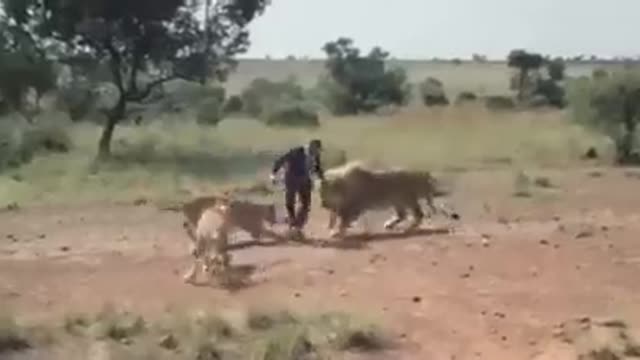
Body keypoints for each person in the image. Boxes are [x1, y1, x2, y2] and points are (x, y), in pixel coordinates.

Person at [270, 139, 325, 237]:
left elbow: (317, 167)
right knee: (290, 202)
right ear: (311, 146)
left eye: (318, 151)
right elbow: (282, 160)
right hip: (292, 178)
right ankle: (292, 224)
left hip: (305, 180)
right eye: (316, 150)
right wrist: (273, 174)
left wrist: (322, 178)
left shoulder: (315, 154)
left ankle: (297, 226)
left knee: (306, 204)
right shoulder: (297, 151)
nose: (317, 152)